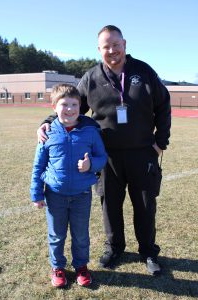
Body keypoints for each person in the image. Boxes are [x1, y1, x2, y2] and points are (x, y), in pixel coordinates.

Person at [37, 25, 171, 276]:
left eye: (116, 45)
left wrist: (160, 141)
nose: (112, 50)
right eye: (106, 46)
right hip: (106, 155)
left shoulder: (143, 71)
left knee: (144, 205)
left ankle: (149, 252)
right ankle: (115, 248)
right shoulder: (92, 77)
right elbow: (71, 104)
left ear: (124, 44)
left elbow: (164, 105)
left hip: (142, 153)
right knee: (110, 205)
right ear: (99, 50)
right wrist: (46, 121)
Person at [30, 84, 107, 288]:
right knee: (56, 235)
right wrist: (36, 194)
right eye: (65, 104)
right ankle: (58, 268)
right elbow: (38, 165)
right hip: (55, 195)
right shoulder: (47, 133)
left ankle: (81, 266)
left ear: (80, 106)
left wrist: (92, 164)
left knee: (81, 235)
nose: (70, 109)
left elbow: (102, 157)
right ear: (54, 107)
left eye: (74, 104)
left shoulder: (90, 131)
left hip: (82, 194)